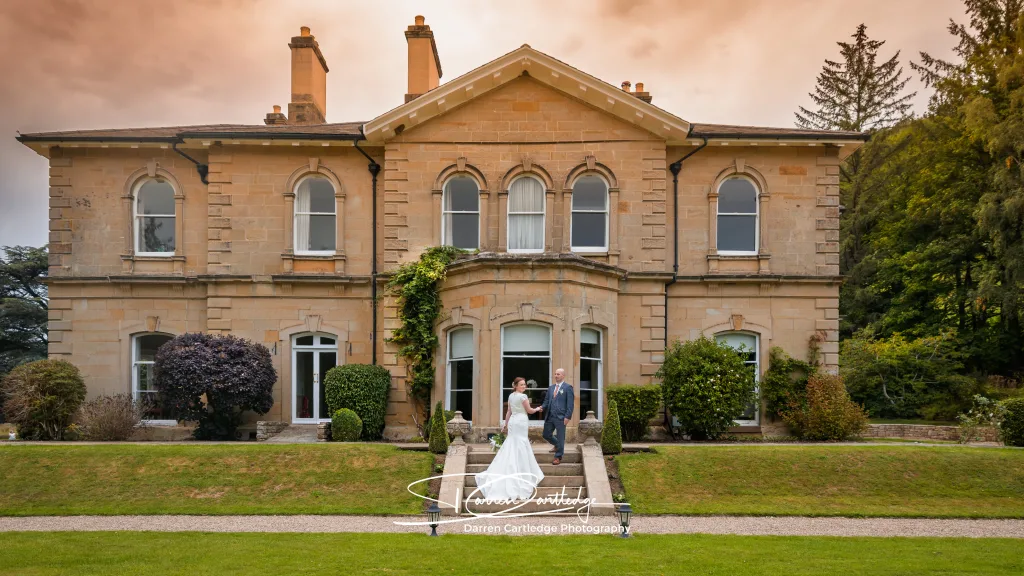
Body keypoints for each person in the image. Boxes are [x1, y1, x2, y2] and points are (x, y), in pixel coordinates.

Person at [474, 377, 545, 500]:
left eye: (525, 385)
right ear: (516, 385)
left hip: (513, 422)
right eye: (522, 385)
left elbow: (509, 412)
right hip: (521, 421)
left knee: (513, 442)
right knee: (520, 443)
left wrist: (505, 424)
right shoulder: (523, 397)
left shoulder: (511, 396)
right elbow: (529, 410)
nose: (524, 387)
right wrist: (538, 408)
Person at [541, 368, 574, 465]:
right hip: (550, 416)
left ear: (563, 376)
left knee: (560, 437)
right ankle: (556, 445)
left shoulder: (568, 387)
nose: (556, 376)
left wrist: (567, 416)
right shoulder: (551, 388)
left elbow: (570, 404)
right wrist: (542, 407)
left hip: (561, 417)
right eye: (555, 374)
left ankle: (558, 456)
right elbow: (546, 401)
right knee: (546, 434)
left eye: (558, 374)